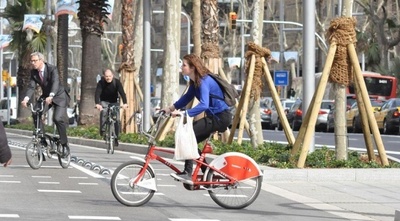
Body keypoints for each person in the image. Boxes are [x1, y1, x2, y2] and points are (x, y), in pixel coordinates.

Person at [162, 54, 232, 184]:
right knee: (191, 141)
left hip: (220, 117)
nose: (181, 67)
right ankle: (207, 172)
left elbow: (204, 104)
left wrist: (184, 113)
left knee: (189, 137)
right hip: (214, 116)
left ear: (193, 67)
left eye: (184, 65)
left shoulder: (204, 81)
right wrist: (170, 108)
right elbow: (186, 98)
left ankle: (188, 173)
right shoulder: (195, 82)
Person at [21, 52, 70, 155]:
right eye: (32, 61)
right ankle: (42, 141)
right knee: (36, 112)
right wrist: (25, 99)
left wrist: (51, 95)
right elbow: (31, 86)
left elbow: (55, 82)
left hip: (59, 96)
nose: (33, 63)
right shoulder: (34, 72)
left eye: (35, 61)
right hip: (46, 96)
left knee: (57, 118)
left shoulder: (52, 69)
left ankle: (64, 144)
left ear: (41, 60)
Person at [95, 69, 128, 146]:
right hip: (104, 101)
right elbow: (97, 93)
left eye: (110, 76)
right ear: (104, 76)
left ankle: (116, 138)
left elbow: (122, 93)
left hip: (114, 102)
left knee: (116, 119)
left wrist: (125, 103)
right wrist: (97, 104)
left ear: (112, 76)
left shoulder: (116, 82)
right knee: (104, 111)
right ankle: (103, 130)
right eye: (106, 76)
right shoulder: (101, 83)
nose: (108, 78)